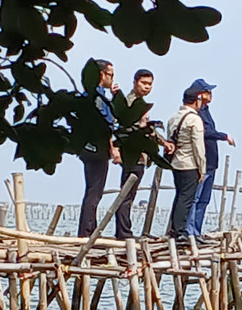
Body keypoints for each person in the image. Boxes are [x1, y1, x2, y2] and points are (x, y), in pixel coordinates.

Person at [114, 69, 165, 240]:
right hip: (132, 153)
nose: (147, 87)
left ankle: (124, 231)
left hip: (139, 154)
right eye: (144, 83)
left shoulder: (140, 103)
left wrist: (163, 142)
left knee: (129, 194)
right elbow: (127, 128)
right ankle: (124, 233)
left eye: (150, 84)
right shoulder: (130, 104)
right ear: (135, 82)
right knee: (126, 194)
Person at [185, 79, 235, 240]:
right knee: (195, 198)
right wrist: (224, 136)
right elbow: (205, 132)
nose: (210, 95)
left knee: (204, 200)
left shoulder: (206, 110)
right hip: (201, 162)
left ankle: (196, 231)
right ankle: (190, 231)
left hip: (211, 162)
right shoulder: (195, 113)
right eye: (207, 92)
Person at [77, 59, 121, 237]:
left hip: (89, 149)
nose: (112, 79)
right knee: (94, 192)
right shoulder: (98, 97)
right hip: (96, 149)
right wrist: (113, 149)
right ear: (101, 75)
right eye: (110, 75)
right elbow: (105, 125)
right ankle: (87, 232)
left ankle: (90, 228)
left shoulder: (96, 96)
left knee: (92, 190)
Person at [167, 82, 207, 243]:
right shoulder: (194, 120)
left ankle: (174, 229)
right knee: (186, 198)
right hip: (189, 163)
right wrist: (202, 168)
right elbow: (198, 147)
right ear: (196, 101)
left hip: (176, 162)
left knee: (179, 195)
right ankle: (179, 231)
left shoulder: (173, 118)